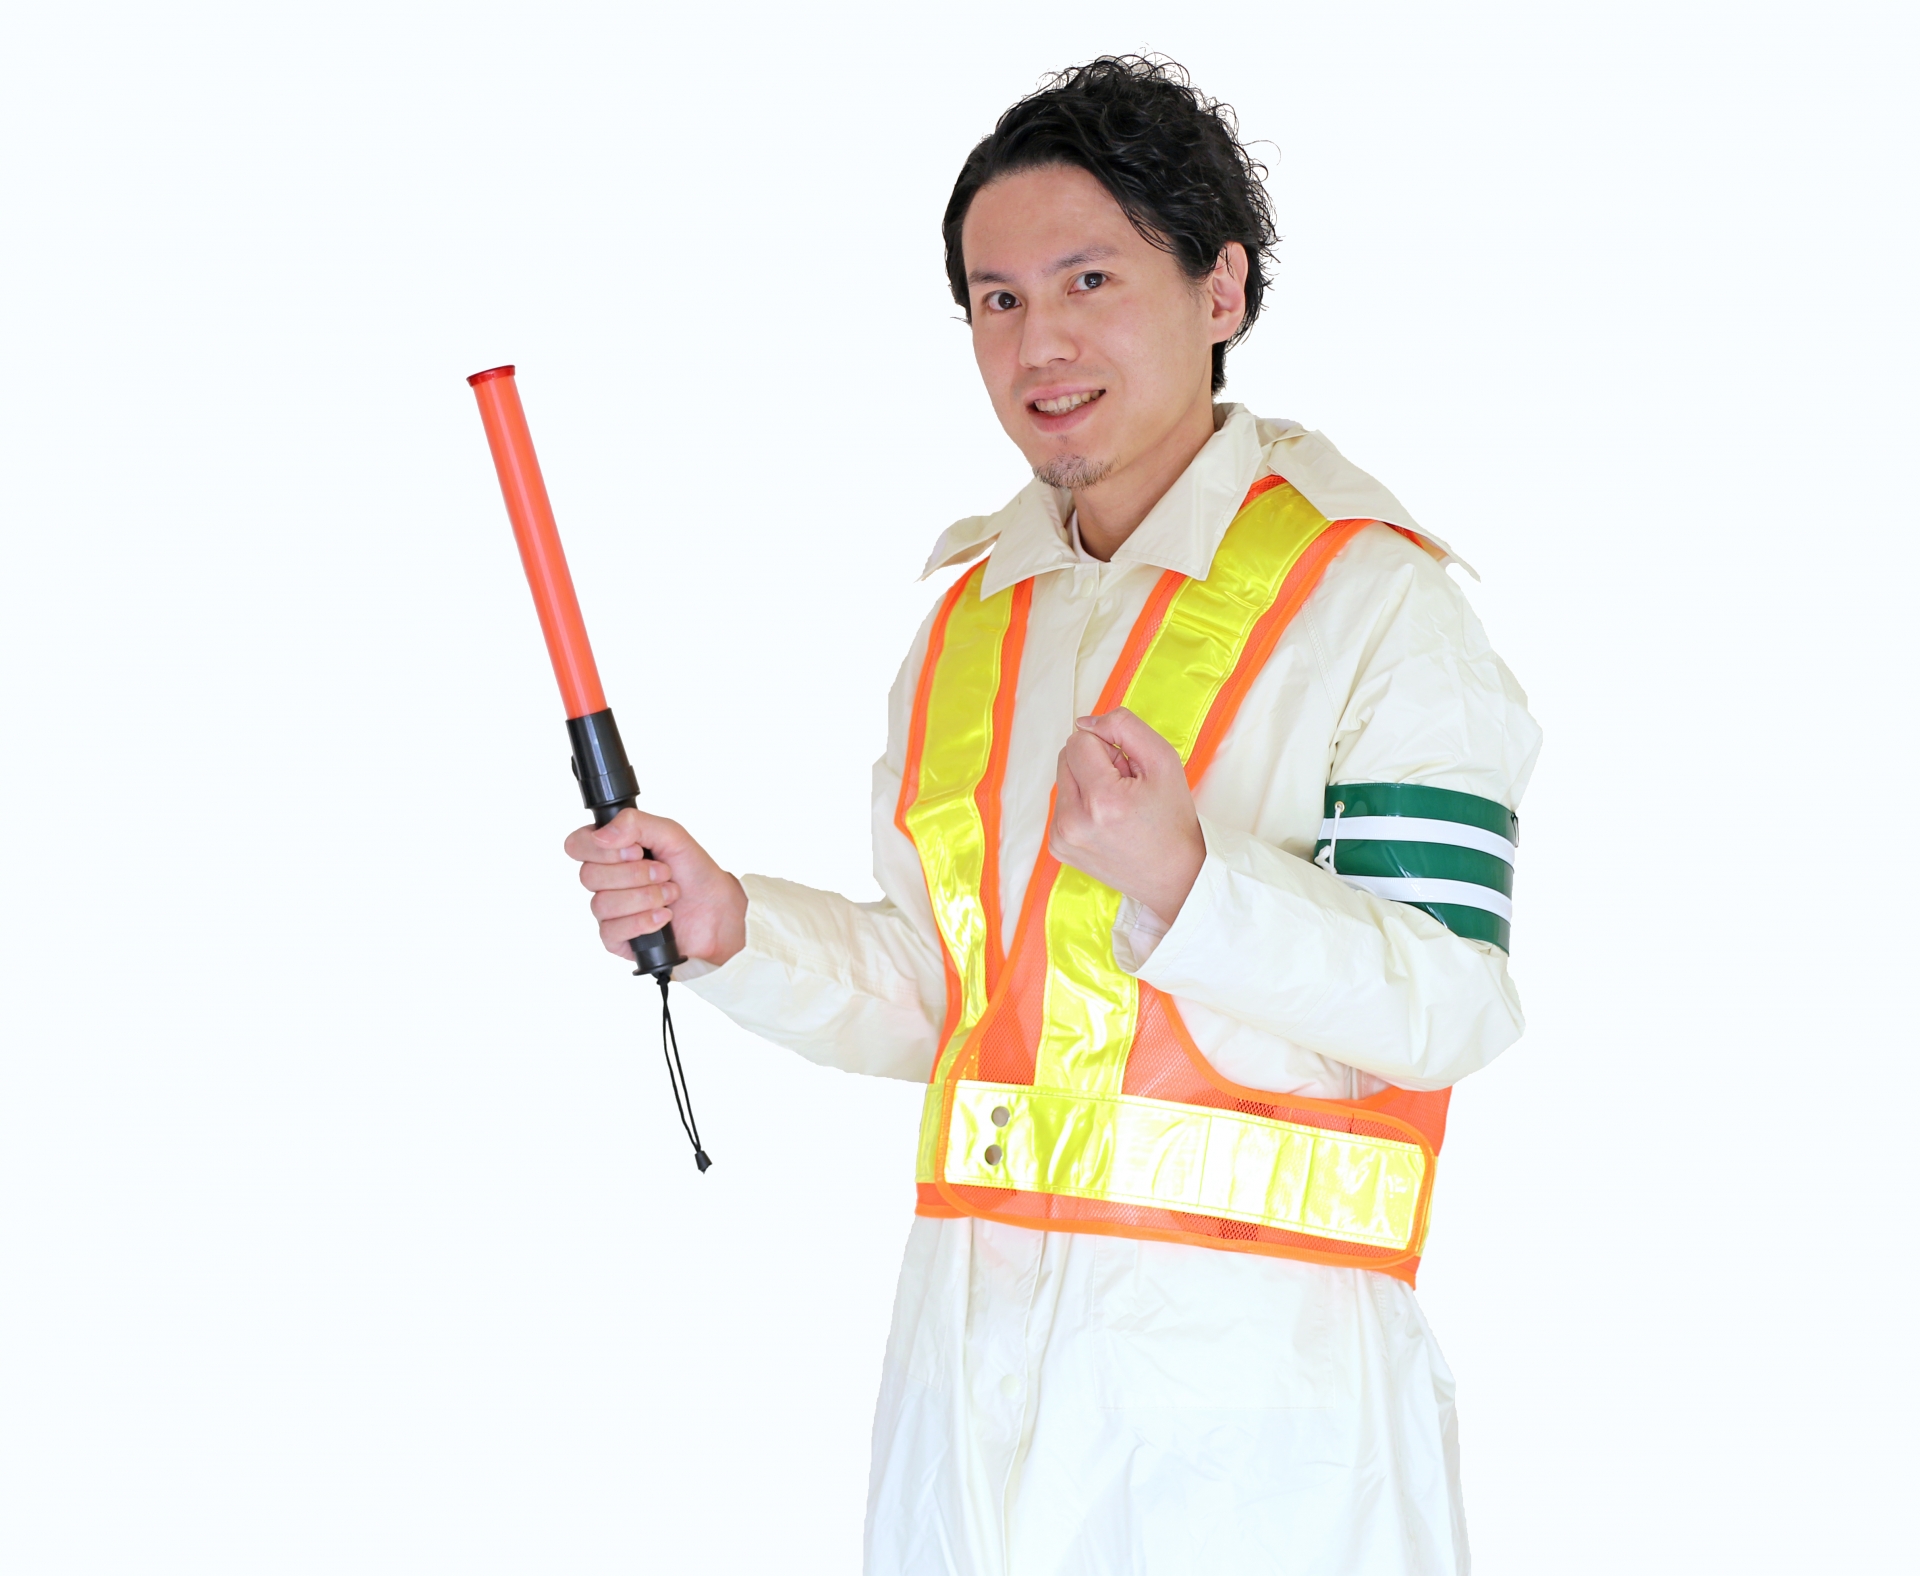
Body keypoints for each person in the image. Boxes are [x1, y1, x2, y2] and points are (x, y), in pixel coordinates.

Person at [567, 56, 1539, 1576]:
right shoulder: (974, 621)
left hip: (1260, 1428)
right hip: (967, 1400)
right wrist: (736, 929)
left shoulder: (1374, 603)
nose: (1040, 341)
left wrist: (1192, 885)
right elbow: (958, 999)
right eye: (997, 299)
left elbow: (1450, 1002)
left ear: (1221, 288)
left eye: (1090, 279)